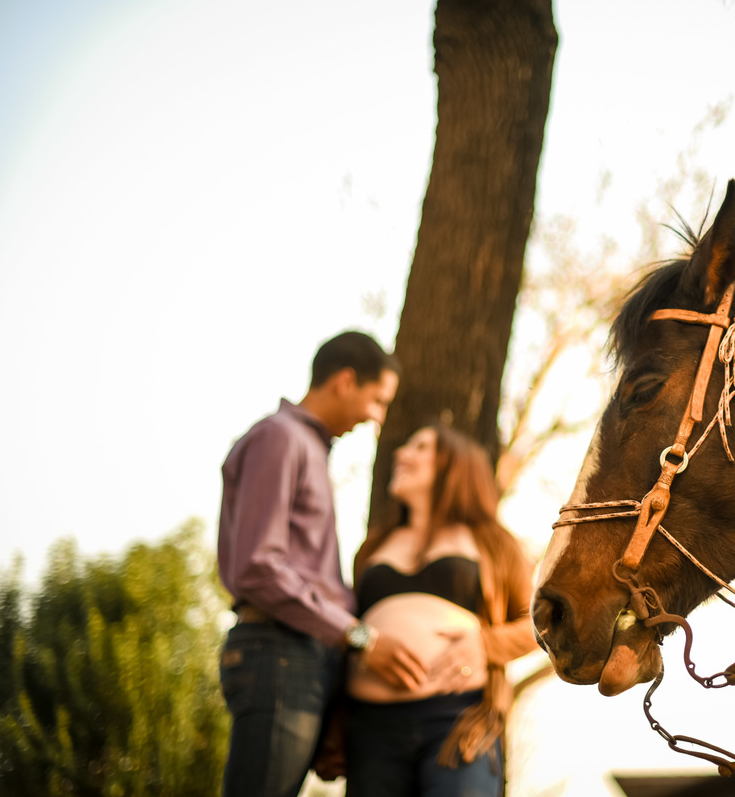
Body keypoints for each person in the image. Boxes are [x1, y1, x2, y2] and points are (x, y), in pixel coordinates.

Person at [217, 330, 400, 797]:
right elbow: (258, 567)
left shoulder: (307, 447)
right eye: (376, 401)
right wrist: (355, 635)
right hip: (281, 654)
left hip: (298, 655)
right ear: (344, 381)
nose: (376, 418)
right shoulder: (281, 439)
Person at [342, 424, 538, 797]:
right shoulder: (372, 546)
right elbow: (347, 628)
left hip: (459, 724)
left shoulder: (495, 543)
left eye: (420, 447)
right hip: (370, 731)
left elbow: (542, 625)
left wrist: (486, 644)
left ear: (456, 465)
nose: (401, 454)